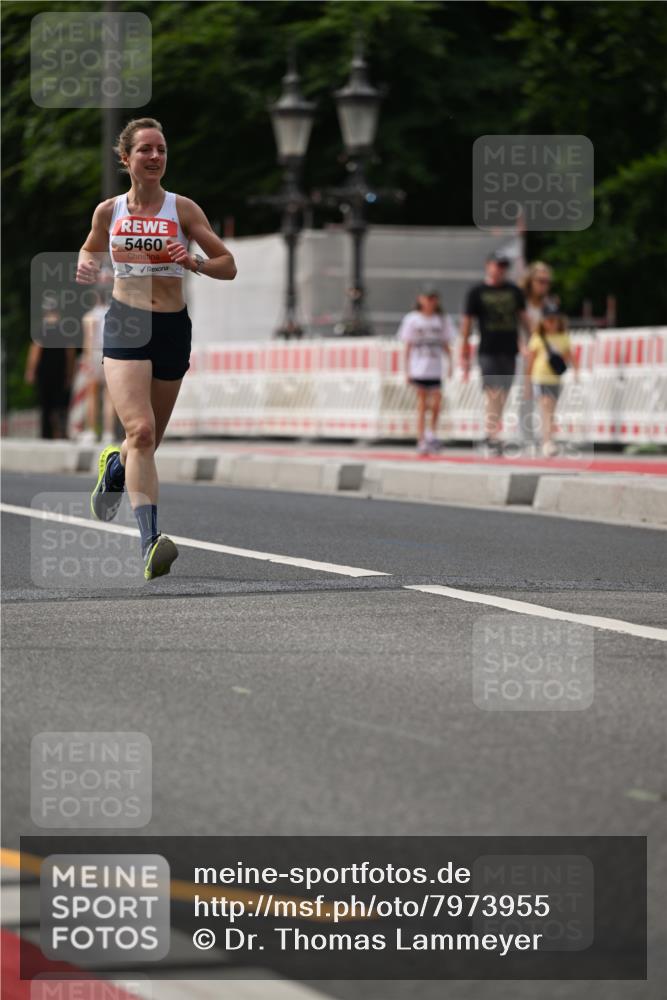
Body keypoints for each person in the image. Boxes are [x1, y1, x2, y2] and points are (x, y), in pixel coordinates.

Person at [76, 117, 236, 580]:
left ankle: (114, 469)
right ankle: (151, 542)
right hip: (126, 323)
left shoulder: (182, 209)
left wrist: (195, 262)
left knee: (147, 442)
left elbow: (229, 266)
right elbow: (89, 248)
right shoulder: (109, 212)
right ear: (126, 159)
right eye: (145, 149)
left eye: (161, 149)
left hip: (171, 328)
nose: (155, 157)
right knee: (141, 432)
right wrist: (87, 265)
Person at [460, 251, 529, 455]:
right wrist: (463, 352)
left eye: (503, 266)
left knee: (504, 392)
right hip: (487, 348)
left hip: (509, 348)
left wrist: (533, 340)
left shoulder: (515, 291)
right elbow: (466, 324)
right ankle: (492, 434)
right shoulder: (477, 292)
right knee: (493, 391)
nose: (500, 270)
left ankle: (492, 431)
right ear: (488, 266)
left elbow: (524, 319)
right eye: (496, 265)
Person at [398, 284, 454, 454]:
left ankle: (431, 433)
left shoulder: (441, 319)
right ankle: (421, 438)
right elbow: (407, 345)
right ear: (420, 299)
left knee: (437, 401)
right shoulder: (413, 319)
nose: (430, 302)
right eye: (427, 298)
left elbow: (446, 343)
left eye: (433, 299)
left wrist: (450, 364)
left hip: (435, 366)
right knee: (422, 403)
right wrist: (406, 370)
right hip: (419, 366)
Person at [525, 301, 577, 457]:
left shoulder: (563, 337)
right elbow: (531, 361)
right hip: (540, 377)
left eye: (554, 320)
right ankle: (547, 442)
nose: (552, 323)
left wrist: (576, 372)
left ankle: (547, 440)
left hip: (555, 378)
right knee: (546, 406)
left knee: (551, 410)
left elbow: (569, 357)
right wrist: (527, 381)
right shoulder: (537, 338)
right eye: (549, 320)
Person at [25, 298, 76, 439]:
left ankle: (46, 434)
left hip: (44, 371)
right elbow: (70, 352)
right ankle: (61, 432)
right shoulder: (65, 329)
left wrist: (30, 371)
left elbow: (35, 351)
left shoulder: (41, 328)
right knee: (60, 403)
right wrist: (70, 373)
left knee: (45, 404)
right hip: (60, 370)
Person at [79, 288, 117, 444]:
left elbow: (89, 339)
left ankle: (91, 432)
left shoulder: (90, 317)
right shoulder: (113, 316)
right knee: (109, 396)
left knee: (92, 395)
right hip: (110, 354)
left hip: (94, 355)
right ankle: (109, 433)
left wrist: (87, 360)